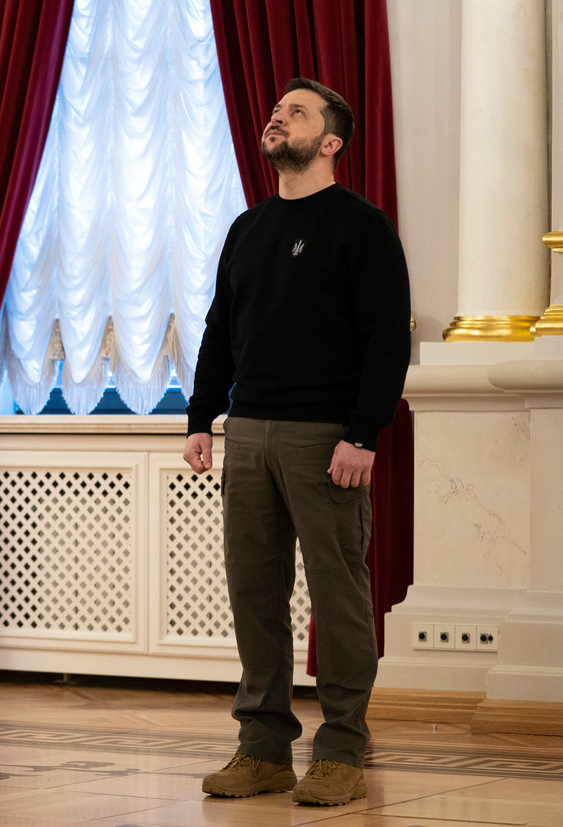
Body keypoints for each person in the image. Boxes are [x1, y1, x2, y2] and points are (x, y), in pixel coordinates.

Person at [183, 78, 410, 806]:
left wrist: (362, 435)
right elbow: (222, 331)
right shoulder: (247, 229)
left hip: (326, 440)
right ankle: (263, 747)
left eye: (298, 111)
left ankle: (341, 748)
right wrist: (199, 418)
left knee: (339, 594)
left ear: (332, 139)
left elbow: (384, 338)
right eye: (277, 109)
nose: (278, 116)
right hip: (247, 431)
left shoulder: (362, 226)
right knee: (254, 590)